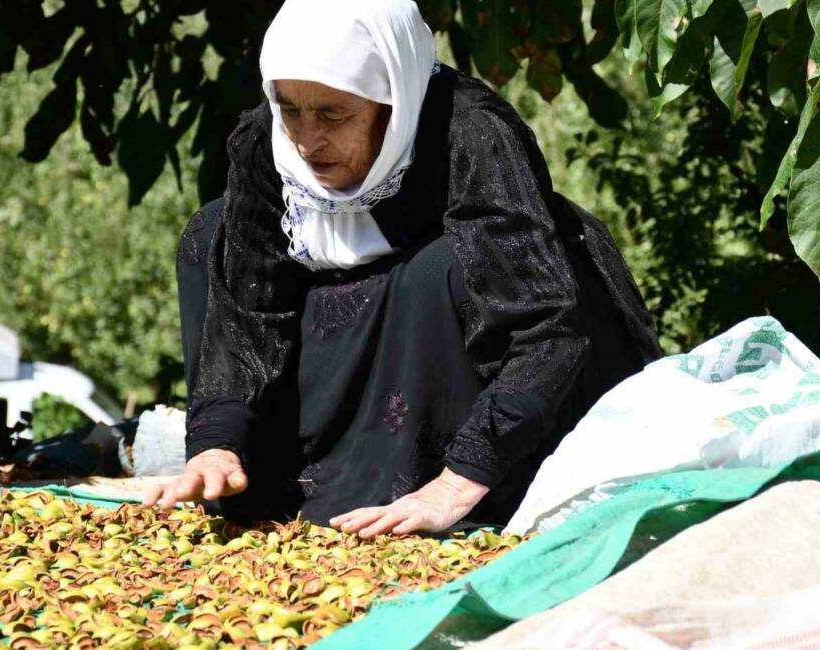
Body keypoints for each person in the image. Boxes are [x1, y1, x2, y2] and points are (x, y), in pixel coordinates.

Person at [143, 0, 661, 537]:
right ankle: (274, 483)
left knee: (444, 265)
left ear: (392, 100)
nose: (305, 138)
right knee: (210, 233)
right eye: (290, 109)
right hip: (341, 347)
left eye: (332, 114)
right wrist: (217, 442)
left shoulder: (471, 136)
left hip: (451, 367)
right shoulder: (265, 145)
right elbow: (249, 314)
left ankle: (442, 488)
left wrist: (458, 482)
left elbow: (547, 331)